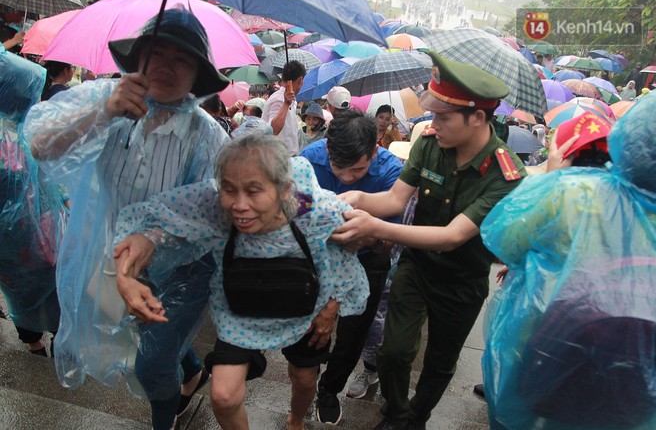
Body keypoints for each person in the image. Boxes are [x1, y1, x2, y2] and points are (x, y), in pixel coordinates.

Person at [24, 7, 231, 430]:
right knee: (159, 338)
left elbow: (213, 211)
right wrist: (102, 113)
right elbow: (43, 147)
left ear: (198, 76)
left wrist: (154, 239)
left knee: (153, 362)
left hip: (185, 271)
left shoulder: (207, 137)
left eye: (182, 59)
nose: (165, 66)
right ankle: (190, 369)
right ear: (137, 59)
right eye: (156, 52)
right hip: (115, 253)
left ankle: (164, 419)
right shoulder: (107, 104)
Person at [112, 135, 370, 430]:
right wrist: (144, 246)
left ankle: (296, 420)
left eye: (254, 191)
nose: (239, 206)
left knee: (304, 379)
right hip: (242, 310)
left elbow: (347, 249)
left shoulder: (312, 209)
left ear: (284, 191)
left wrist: (332, 307)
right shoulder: (216, 207)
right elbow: (165, 219)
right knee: (222, 396)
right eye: (229, 190)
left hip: (304, 308)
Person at [330, 53, 527, 430]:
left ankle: (415, 419)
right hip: (417, 268)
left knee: (440, 362)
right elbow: (393, 200)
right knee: (393, 352)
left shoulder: (506, 173)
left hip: (461, 281)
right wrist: (355, 199)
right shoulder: (430, 144)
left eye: (442, 116)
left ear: (478, 118)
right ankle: (398, 416)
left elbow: (452, 237)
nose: (431, 123)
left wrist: (374, 226)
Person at [480, 90, 656, 430]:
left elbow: (504, 241)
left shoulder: (572, 192)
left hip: (550, 353)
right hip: (640, 385)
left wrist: (551, 177)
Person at [299, 110, 403, 425]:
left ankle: (330, 389)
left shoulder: (391, 173)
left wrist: (368, 238)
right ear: (327, 149)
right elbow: (296, 211)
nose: (346, 178)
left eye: (357, 169)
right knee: (310, 324)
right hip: (317, 256)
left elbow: (389, 242)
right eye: (338, 168)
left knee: (353, 332)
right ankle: (306, 374)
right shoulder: (308, 160)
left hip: (368, 259)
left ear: (375, 150)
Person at [1, 43, 67, 358]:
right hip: (40, 231)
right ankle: (56, 335)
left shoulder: (17, 134)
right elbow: (55, 182)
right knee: (50, 285)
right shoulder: (30, 133)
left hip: (11, 240)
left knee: (17, 288)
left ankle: (31, 341)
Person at [262, 60, 306, 155]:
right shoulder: (278, 99)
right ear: (300, 80)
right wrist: (286, 104)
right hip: (278, 160)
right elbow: (273, 130)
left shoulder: (291, 100)